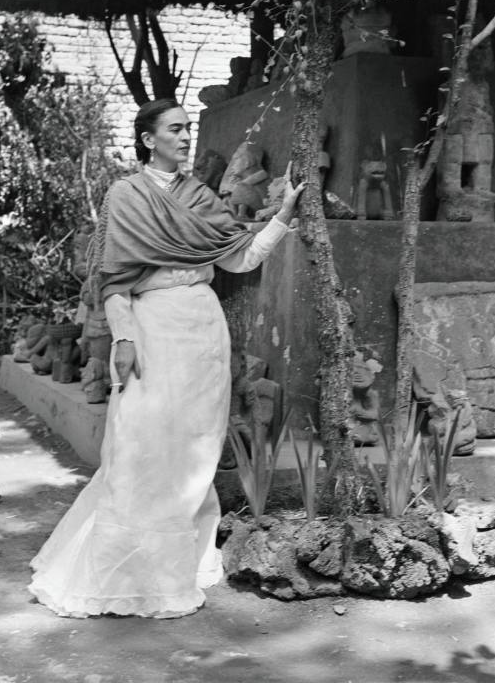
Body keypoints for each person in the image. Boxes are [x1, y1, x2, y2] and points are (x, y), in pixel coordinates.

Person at [28, 98, 305, 618]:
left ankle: (182, 561)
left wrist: (283, 217)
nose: (184, 138)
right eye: (174, 129)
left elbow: (240, 259)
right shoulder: (125, 196)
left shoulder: (200, 197)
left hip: (202, 329)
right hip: (151, 328)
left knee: (195, 446)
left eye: (187, 129)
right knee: (140, 444)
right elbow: (113, 281)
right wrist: (124, 339)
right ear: (148, 138)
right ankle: (125, 570)